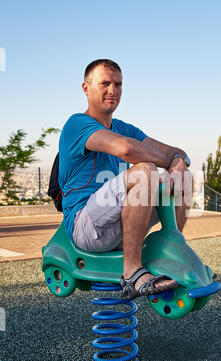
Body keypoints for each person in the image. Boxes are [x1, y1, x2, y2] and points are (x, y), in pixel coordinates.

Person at [58, 59, 193, 300]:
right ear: (86, 88)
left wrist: (180, 161)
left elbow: (174, 152)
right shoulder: (77, 124)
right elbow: (127, 150)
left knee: (184, 178)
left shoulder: (123, 127)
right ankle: (131, 273)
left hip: (118, 221)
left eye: (118, 84)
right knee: (145, 171)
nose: (113, 90)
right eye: (105, 83)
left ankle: (172, 249)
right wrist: (169, 161)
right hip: (85, 225)